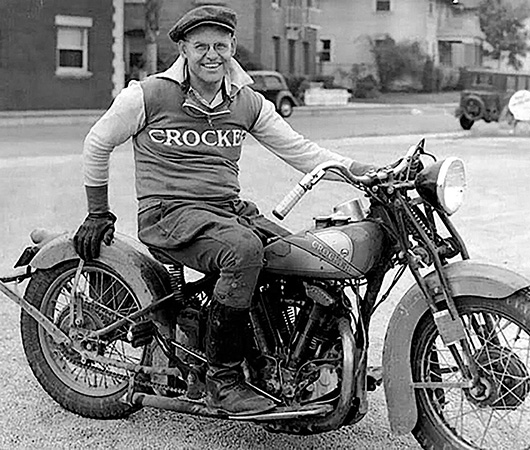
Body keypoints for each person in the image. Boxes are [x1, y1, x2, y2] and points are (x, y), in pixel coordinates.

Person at [73, 5, 374, 416]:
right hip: (169, 213)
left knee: (297, 252)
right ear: (182, 48)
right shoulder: (149, 95)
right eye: (200, 46)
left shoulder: (245, 100)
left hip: (226, 210)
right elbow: (97, 142)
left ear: (233, 45)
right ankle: (222, 379)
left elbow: (303, 152)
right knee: (243, 251)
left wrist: (367, 172)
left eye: (220, 44)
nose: (211, 55)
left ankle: (282, 359)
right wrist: (97, 212)